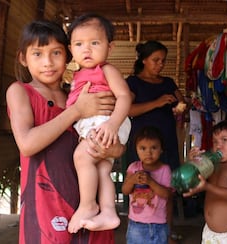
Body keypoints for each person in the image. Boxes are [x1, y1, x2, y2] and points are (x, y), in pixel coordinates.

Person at [6, 19, 124, 244]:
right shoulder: (20, 92)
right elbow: (27, 144)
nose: (48, 62)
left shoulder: (82, 93)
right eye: (37, 54)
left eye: (56, 53)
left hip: (90, 206)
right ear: (23, 57)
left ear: (68, 55)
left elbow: (115, 138)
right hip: (45, 206)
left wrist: (115, 147)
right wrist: (77, 110)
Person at [65, 13, 132, 233]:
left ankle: (87, 205)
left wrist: (113, 124)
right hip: (97, 123)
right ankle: (108, 211)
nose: (87, 49)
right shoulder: (76, 76)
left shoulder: (106, 70)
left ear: (109, 47)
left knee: (81, 156)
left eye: (95, 43)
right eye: (79, 44)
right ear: (71, 48)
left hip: (106, 121)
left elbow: (124, 97)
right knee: (102, 168)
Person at [126, 41, 186, 242]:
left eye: (163, 61)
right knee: (139, 187)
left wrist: (181, 108)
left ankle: (166, 232)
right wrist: (157, 103)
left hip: (166, 141)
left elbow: (181, 103)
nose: (160, 64)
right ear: (144, 60)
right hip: (142, 145)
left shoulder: (168, 82)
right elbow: (128, 110)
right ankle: (135, 230)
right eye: (155, 60)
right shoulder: (133, 82)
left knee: (167, 188)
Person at [183, 120, 227, 244]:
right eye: (215, 142)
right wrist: (192, 163)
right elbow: (191, 180)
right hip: (210, 234)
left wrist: (206, 186)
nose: (218, 145)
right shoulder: (213, 166)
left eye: (224, 140)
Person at [122, 126, 173, 244]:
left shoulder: (165, 169)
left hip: (159, 225)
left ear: (161, 149)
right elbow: (125, 190)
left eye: (154, 148)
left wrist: (150, 182)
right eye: (143, 148)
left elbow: (167, 194)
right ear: (136, 150)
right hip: (136, 225)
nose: (148, 153)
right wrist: (132, 180)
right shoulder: (133, 167)